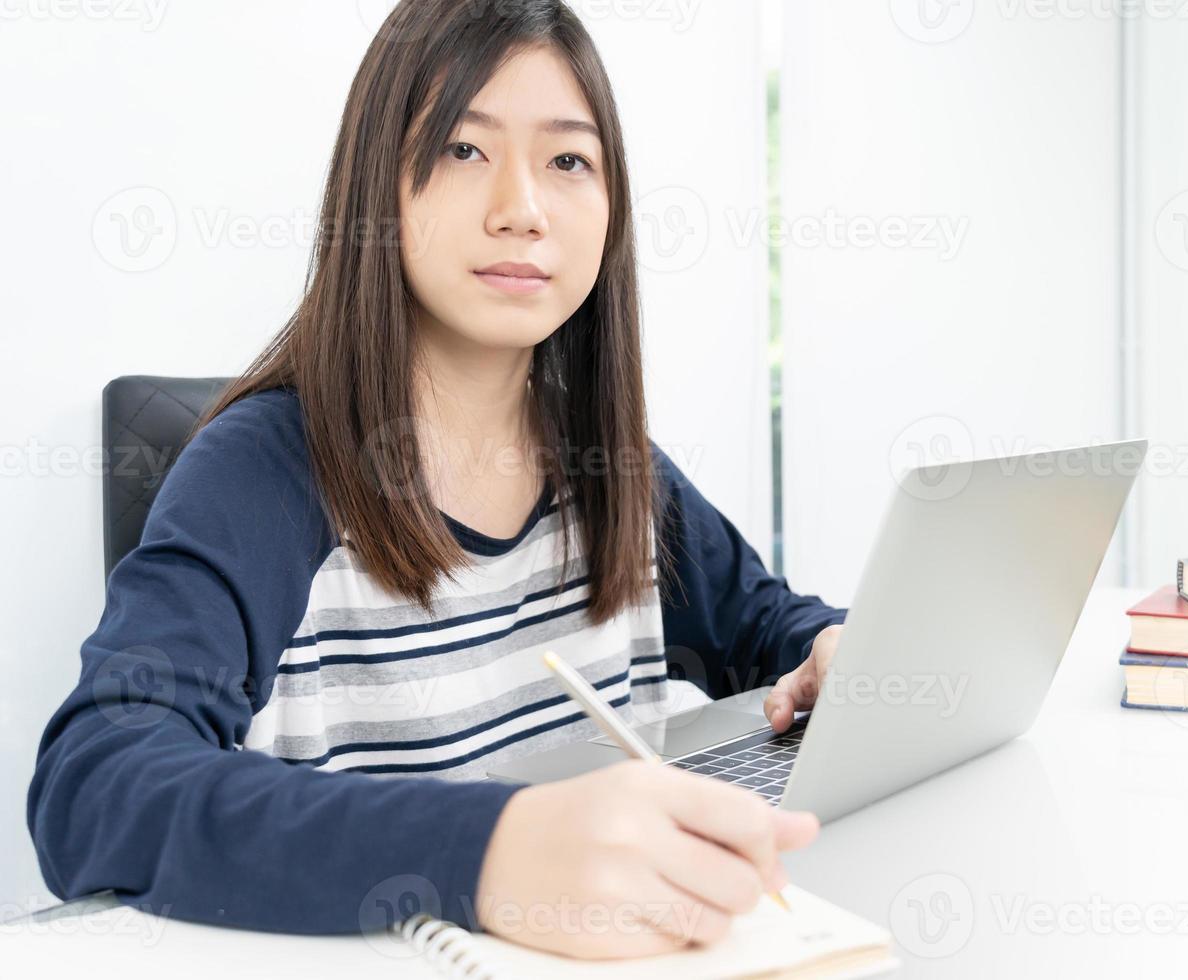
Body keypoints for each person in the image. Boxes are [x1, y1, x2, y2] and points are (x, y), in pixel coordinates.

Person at [28, 0, 846, 960]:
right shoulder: (266, 471)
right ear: (378, 186)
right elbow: (97, 787)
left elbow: (768, 629)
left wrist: (835, 651)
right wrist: (492, 849)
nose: (522, 207)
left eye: (568, 160)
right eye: (464, 149)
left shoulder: (607, 462)